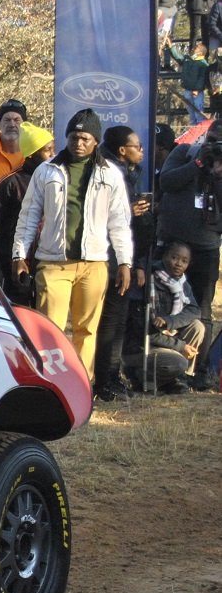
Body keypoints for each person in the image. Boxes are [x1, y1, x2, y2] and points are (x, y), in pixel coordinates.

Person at [11, 109, 134, 380]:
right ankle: (50, 383)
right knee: (49, 328)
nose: (78, 143)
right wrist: (19, 254)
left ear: (95, 141)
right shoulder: (47, 170)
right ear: (67, 137)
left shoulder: (110, 173)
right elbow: (29, 214)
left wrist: (125, 261)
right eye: (74, 137)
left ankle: (81, 383)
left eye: (85, 138)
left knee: (86, 329)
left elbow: (119, 222)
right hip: (53, 262)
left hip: (94, 263)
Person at [155, 120, 222, 391]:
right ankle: (167, 366)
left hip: (206, 246)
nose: (214, 146)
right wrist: (197, 165)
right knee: (165, 304)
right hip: (174, 243)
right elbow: (167, 182)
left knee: (202, 310)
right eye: (212, 139)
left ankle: (202, 370)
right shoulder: (184, 152)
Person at [92, 126, 152, 401]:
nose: (141, 151)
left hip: (125, 255)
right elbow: (103, 213)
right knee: (109, 320)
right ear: (121, 150)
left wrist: (137, 261)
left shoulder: (129, 172)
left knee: (118, 320)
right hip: (106, 255)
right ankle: (103, 380)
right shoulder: (105, 171)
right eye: (137, 146)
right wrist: (129, 208)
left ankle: (112, 376)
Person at [126, 241, 207, 395]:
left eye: (184, 261)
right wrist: (181, 346)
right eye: (174, 258)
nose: (179, 264)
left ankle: (180, 378)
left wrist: (170, 321)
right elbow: (145, 332)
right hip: (142, 346)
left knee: (197, 326)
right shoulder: (148, 280)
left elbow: (194, 310)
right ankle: (144, 378)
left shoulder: (182, 283)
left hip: (167, 338)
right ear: (164, 257)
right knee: (178, 362)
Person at [0, 123, 55, 304]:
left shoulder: (56, 178)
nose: (53, 155)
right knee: (19, 309)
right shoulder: (10, 182)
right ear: (32, 154)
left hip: (48, 255)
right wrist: (7, 259)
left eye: (53, 149)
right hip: (17, 256)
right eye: (47, 150)